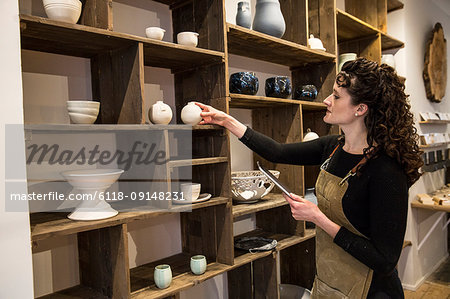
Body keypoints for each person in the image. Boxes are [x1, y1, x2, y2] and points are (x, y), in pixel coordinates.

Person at [196, 57, 423, 299]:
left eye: (336, 96)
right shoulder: (333, 147)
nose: (326, 100)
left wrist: (317, 217)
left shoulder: (386, 171)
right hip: (330, 282)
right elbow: (277, 151)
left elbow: (385, 260)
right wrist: (227, 121)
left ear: (360, 108)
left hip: (372, 291)